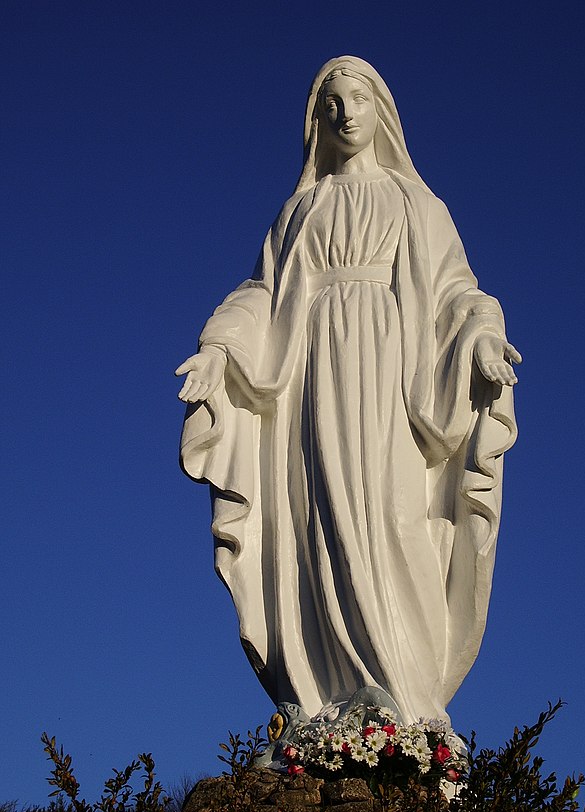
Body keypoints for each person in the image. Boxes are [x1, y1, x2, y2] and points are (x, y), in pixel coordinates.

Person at [176, 56, 520, 725]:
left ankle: (409, 702)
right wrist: (219, 349)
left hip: (391, 379)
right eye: (331, 103)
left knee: (396, 515)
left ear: (381, 109)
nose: (346, 113)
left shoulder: (417, 204)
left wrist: (480, 337)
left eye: (358, 98)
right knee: (317, 523)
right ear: (317, 120)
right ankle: (327, 701)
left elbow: (456, 292)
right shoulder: (300, 210)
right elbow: (263, 296)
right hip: (312, 382)